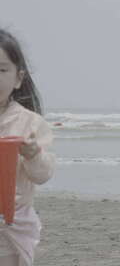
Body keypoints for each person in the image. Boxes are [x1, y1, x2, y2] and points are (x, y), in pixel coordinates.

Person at [0, 29, 55, 266]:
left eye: (1, 70)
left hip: (12, 226)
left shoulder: (31, 124)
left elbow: (43, 175)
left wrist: (34, 155)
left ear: (18, 78)